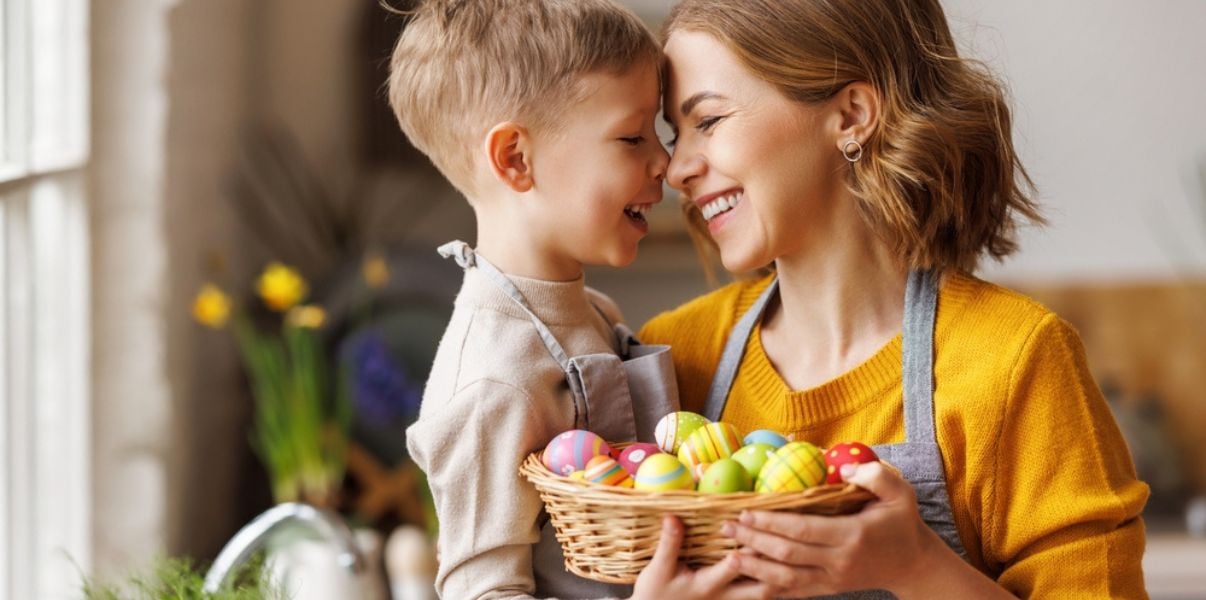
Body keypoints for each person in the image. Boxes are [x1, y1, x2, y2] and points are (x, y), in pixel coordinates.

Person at [639, 0, 1150, 597]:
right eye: (676, 135)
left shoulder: (1014, 363)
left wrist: (917, 567)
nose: (676, 170)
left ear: (852, 115)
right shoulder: (673, 356)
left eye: (709, 121)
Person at [389, 1, 774, 598]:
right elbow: (482, 589)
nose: (664, 163)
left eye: (658, 134)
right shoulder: (494, 379)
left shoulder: (596, 313)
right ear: (516, 159)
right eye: (631, 136)